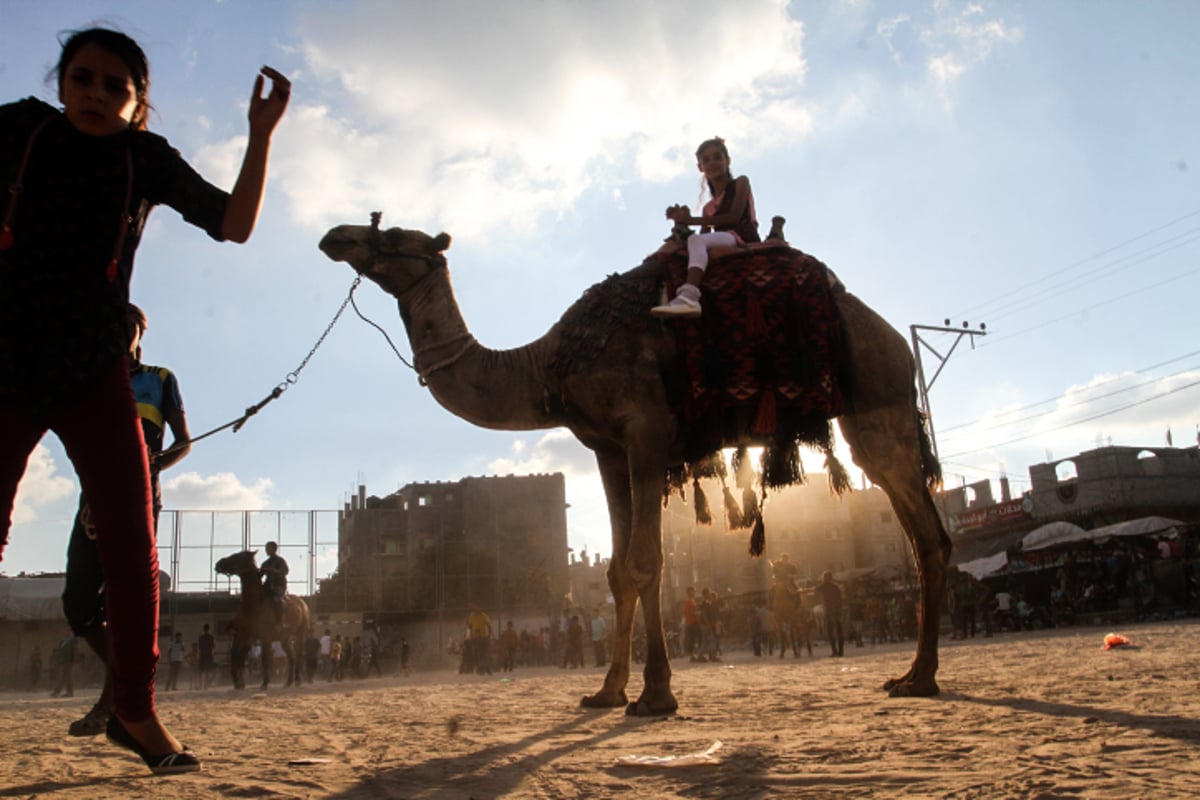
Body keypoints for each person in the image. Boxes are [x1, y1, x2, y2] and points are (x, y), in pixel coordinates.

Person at [0, 27, 290, 774]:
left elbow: (234, 225)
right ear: (62, 82)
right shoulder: (20, 131)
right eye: (84, 79)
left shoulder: (143, 160)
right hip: (6, 361)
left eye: (114, 87)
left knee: (134, 555)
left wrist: (260, 136)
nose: (95, 94)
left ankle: (134, 709)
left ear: (138, 106)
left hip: (96, 372)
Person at [62, 302, 193, 737]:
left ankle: (111, 703)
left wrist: (156, 463)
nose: (118, 333)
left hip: (140, 494)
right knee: (78, 604)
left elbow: (183, 442)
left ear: (140, 331)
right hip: (92, 495)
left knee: (124, 596)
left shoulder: (160, 379)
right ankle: (120, 683)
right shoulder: (93, 379)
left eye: (127, 326)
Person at [651, 136, 759, 317]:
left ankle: (689, 296)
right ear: (700, 167)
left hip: (740, 236)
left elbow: (733, 217)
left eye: (718, 157)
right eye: (706, 160)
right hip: (722, 240)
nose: (713, 163)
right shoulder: (708, 209)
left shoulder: (741, 183)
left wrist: (690, 220)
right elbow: (703, 238)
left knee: (696, 241)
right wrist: (680, 222)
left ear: (727, 160)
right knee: (688, 247)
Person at [814, 571, 845, 657]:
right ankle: (841, 651)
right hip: (837, 611)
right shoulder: (836, 587)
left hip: (829, 611)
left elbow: (814, 589)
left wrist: (800, 590)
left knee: (830, 632)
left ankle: (834, 651)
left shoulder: (824, 586)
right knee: (839, 632)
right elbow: (841, 599)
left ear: (825, 578)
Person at [260, 541, 289, 628]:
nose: (266, 550)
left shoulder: (280, 561)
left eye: (268, 548)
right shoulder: (265, 563)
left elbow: (286, 571)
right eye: (266, 548)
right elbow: (259, 575)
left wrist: (275, 571)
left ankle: (280, 620)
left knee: (277, 600)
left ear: (274, 549)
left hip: (278, 585)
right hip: (267, 586)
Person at [51, 632, 78, 698]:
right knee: (65, 677)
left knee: (65, 677)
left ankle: (59, 692)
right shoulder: (62, 642)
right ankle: (67, 692)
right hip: (63, 662)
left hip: (68, 662)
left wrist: (74, 661)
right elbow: (60, 653)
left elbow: (75, 651)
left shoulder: (73, 641)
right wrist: (57, 662)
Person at [198, 624, 216, 689]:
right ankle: (206, 685)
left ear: (203, 629)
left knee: (201, 671)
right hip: (208, 655)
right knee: (207, 671)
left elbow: (199, 647)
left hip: (202, 655)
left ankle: (200, 685)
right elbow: (213, 646)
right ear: (209, 629)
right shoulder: (211, 637)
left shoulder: (201, 637)